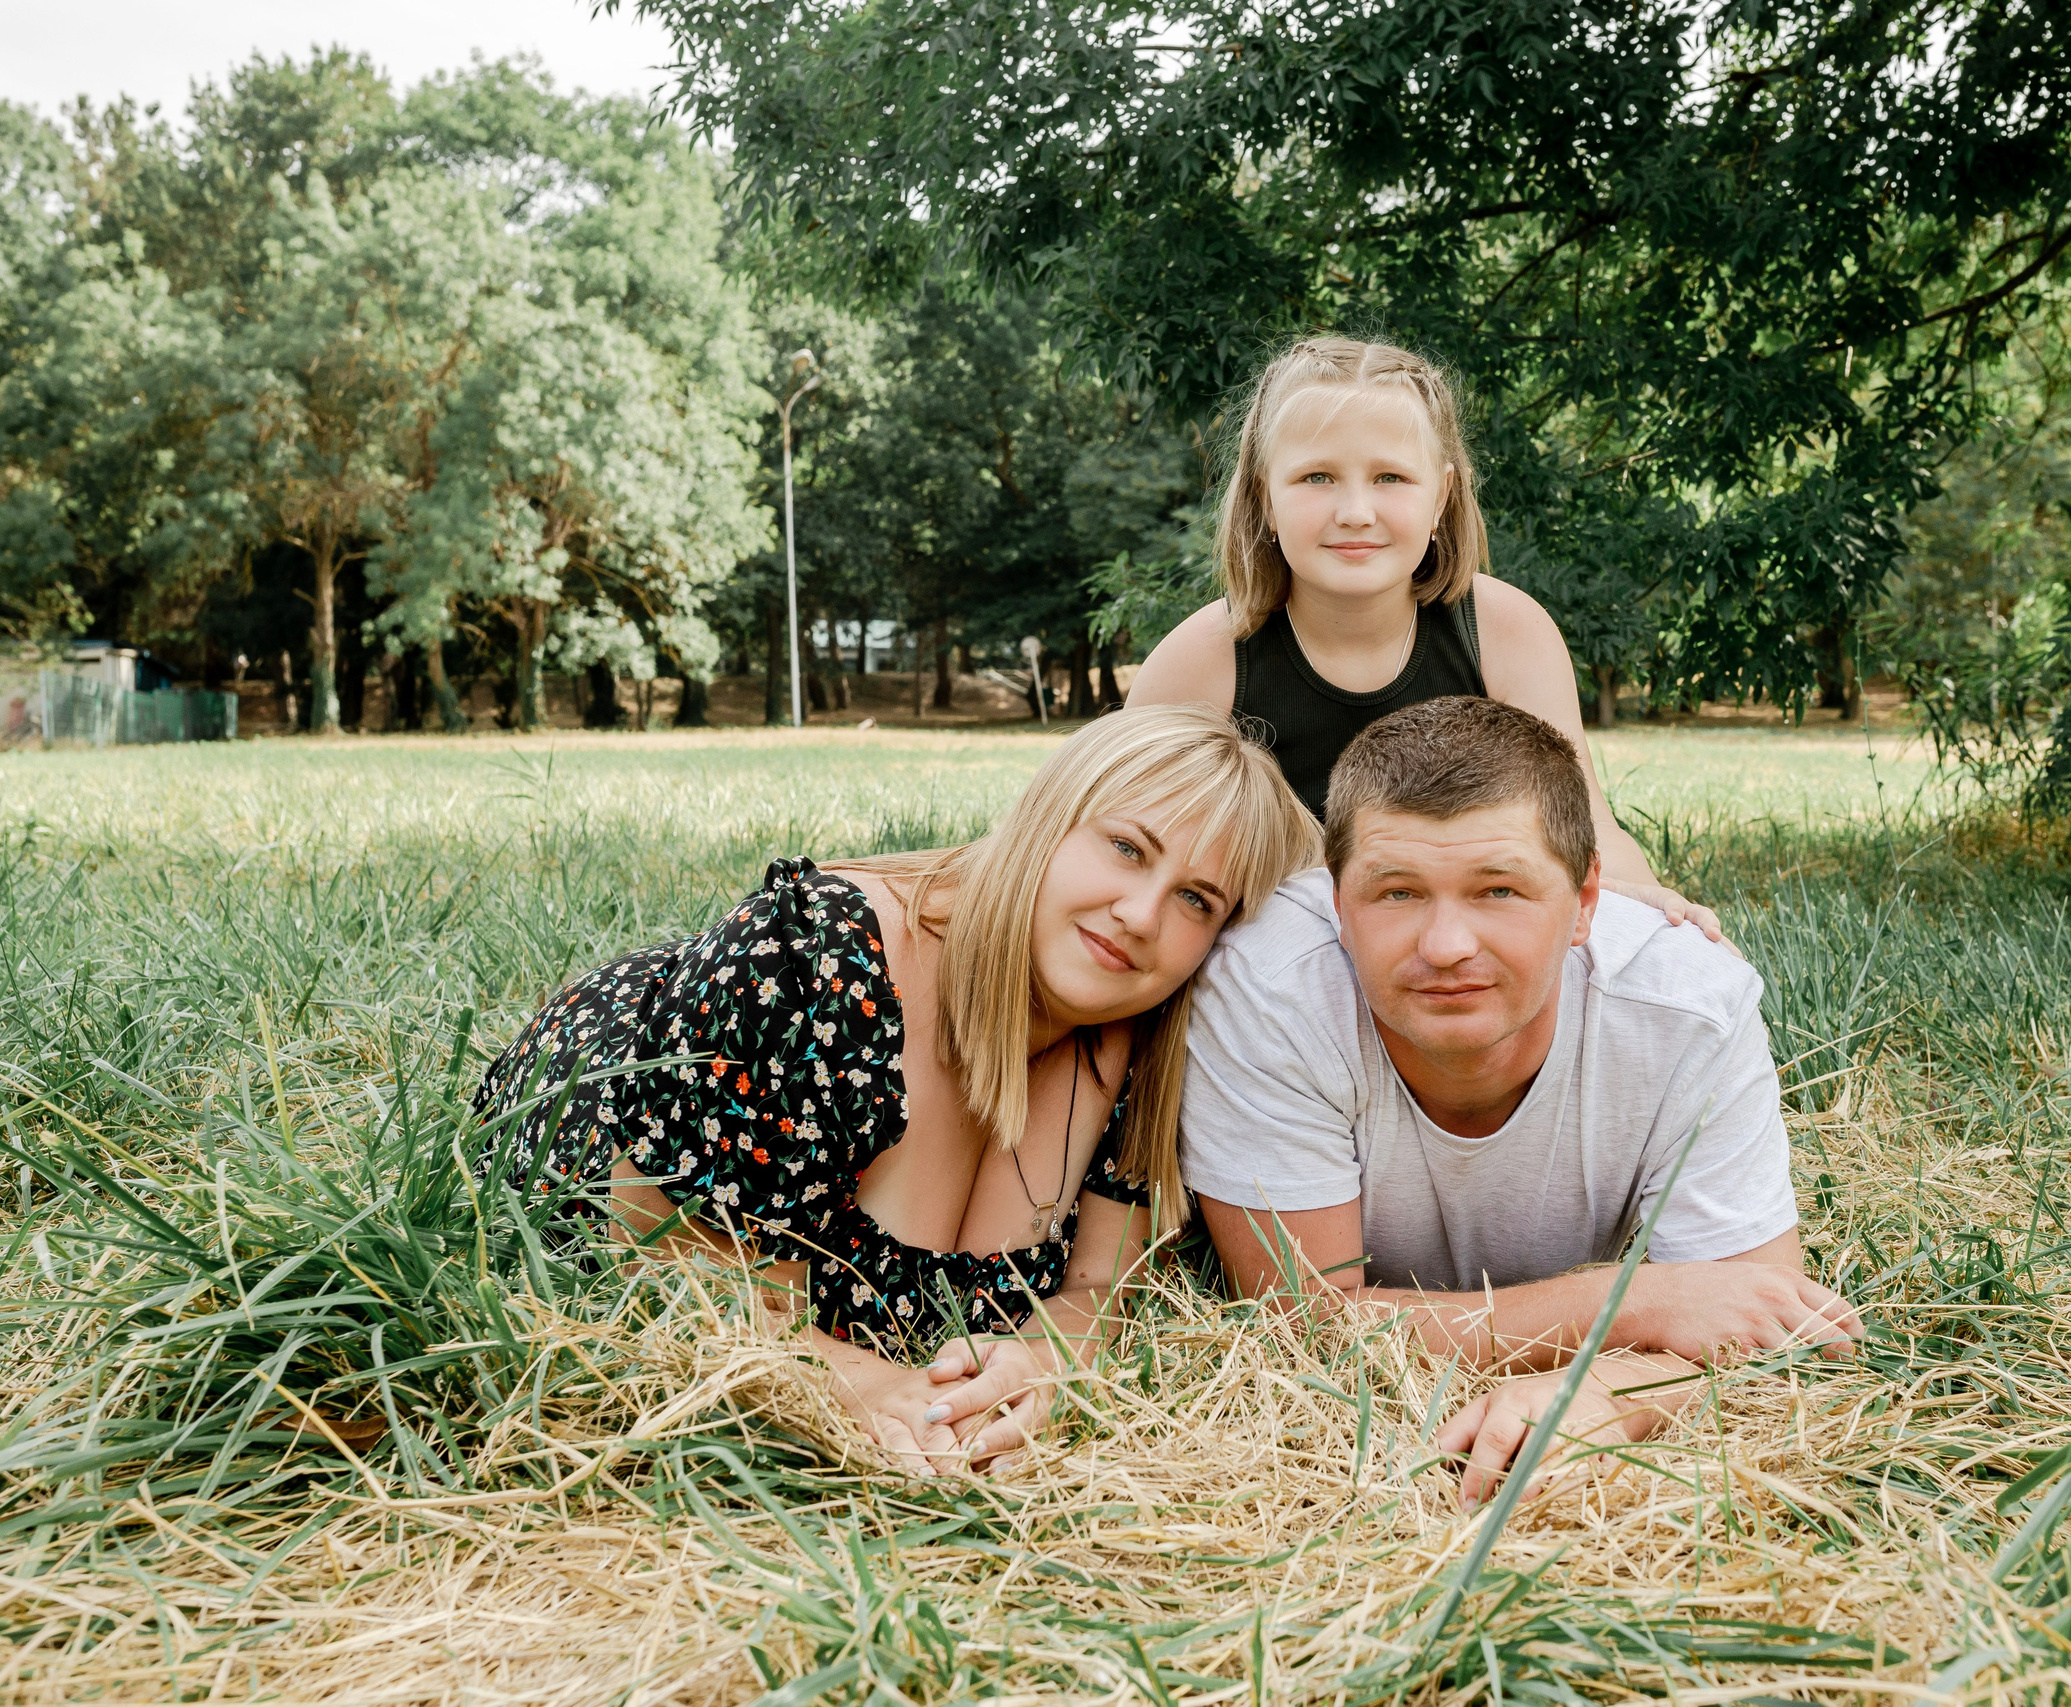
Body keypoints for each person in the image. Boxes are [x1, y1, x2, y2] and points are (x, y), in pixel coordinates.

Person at [477, 705, 1320, 1472]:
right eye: (1126, 847)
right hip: (613, 1082)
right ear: (1048, 824)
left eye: (1196, 900)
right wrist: (861, 1381)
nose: (1140, 913)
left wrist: (1044, 1358)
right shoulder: (816, 960)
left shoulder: (1148, 1037)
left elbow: (1101, 1286)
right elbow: (667, 1269)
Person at [1179, 697, 1863, 1507]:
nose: (1445, 946)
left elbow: (1763, 1321)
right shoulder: (1271, 988)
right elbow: (1306, 1324)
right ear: (1336, 903)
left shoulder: (1688, 1007)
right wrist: (1633, 1301)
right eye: (1396, 893)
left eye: (1498, 890)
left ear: (1584, 903)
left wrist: (1607, 1394)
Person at [1125, 334, 1721, 939]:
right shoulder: (1204, 659)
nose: (1355, 510)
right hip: (1270, 953)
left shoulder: (1506, 632)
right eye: (1316, 477)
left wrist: (1653, 914)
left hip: (1462, 935)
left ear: (1441, 494)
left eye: (1389, 477)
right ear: (1264, 499)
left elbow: (1582, 824)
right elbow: (1120, 849)